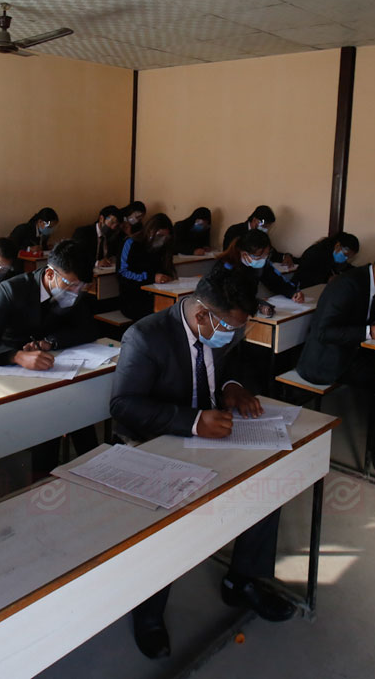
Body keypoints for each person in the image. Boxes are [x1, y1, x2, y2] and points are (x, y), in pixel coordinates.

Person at [110, 266, 295, 659]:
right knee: (168, 523)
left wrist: (233, 387)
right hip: (157, 440)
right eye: (230, 327)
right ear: (201, 315)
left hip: (214, 429)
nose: (234, 334)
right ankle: (149, 613)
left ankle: (241, 581)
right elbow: (124, 405)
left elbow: (231, 363)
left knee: (266, 481)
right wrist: (193, 422)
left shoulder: (223, 325)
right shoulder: (145, 336)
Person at [0, 239, 100, 474]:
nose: (75, 292)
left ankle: (93, 472)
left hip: (56, 370)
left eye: (81, 286)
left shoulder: (73, 290)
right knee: (50, 417)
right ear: (50, 274)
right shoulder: (11, 290)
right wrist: (17, 356)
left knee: (81, 406)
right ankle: (45, 480)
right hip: (15, 374)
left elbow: (88, 329)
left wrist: (49, 342)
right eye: (71, 285)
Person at [297, 244, 375, 476]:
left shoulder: (371, 283)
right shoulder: (348, 285)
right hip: (325, 361)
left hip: (350, 351)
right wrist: (370, 332)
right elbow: (324, 332)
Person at [216, 229, 303, 314]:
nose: (264, 259)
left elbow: (276, 281)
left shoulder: (261, 264)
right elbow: (230, 297)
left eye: (266, 255)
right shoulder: (227, 266)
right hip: (228, 314)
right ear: (245, 254)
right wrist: (257, 304)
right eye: (260, 256)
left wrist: (293, 292)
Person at [116, 213, 177, 320]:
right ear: (150, 231)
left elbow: (166, 269)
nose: (163, 239)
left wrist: (167, 277)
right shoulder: (131, 243)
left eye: (166, 237)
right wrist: (151, 277)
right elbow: (122, 273)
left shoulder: (164, 246)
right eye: (160, 235)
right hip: (133, 298)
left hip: (156, 295)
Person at [221, 205, 291, 264]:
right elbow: (228, 254)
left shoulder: (262, 236)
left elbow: (271, 253)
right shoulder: (235, 230)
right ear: (254, 220)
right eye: (264, 226)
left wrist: (285, 256)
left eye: (268, 227)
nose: (266, 229)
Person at [294, 232, 359, 289]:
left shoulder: (335, 255)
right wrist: (327, 279)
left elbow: (345, 267)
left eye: (348, 257)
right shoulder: (315, 252)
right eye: (345, 255)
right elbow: (305, 274)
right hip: (306, 288)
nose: (345, 258)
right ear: (338, 246)